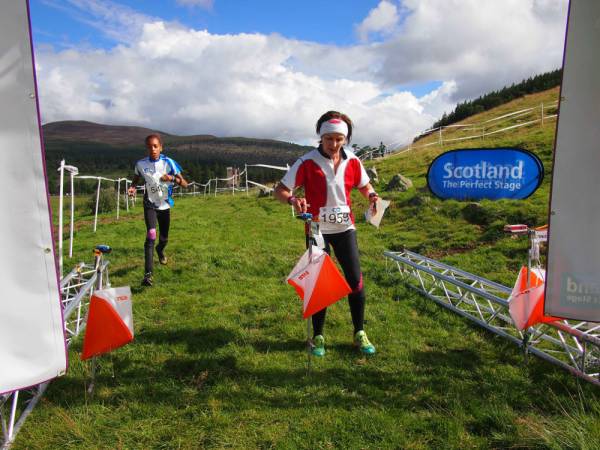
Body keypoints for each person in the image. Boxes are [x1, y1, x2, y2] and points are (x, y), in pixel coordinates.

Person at [275, 111, 378, 356]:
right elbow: (279, 190)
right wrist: (292, 200)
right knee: (319, 282)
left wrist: (372, 196)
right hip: (317, 228)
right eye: (329, 139)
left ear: (346, 139)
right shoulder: (306, 162)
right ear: (321, 138)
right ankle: (319, 336)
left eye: (339, 139)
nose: (334, 144)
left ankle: (359, 333)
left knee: (355, 280)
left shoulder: (353, 160)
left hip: (345, 228)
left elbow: (364, 185)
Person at [128, 134, 188, 286]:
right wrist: (133, 187)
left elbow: (185, 184)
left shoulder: (169, 163)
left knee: (163, 239)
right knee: (151, 234)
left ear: (161, 147)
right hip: (150, 204)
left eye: (155, 146)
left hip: (165, 206)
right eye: (149, 147)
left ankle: (160, 251)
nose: (153, 149)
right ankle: (148, 275)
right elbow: (136, 179)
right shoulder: (140, 164)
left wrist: (172, 179)